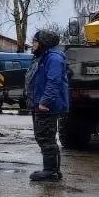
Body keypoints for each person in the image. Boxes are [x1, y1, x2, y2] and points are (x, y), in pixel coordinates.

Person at [25, 29, 69, 182]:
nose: (33, 45)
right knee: (43, 137)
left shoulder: (53, 58)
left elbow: (54, 81)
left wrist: (45, 102)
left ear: (43, 43)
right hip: (40, 104)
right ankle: (52, 169)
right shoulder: (43, 57)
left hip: (47, 106)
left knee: (46, 137)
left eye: (35, 42)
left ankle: (50, 170)